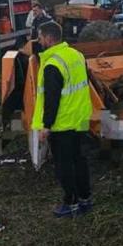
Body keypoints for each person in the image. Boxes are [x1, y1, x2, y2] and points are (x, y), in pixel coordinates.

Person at [32, 21, 94, 217]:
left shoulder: (52, 64)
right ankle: (85, 199)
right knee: (80, 160)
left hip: (62, 123)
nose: (39, 41)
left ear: (49, 39)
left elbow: (52, 100)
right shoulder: (77, 55)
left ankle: (71, 203)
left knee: (64, 165)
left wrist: (46, 126)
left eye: (40, 37)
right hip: (81, 118)